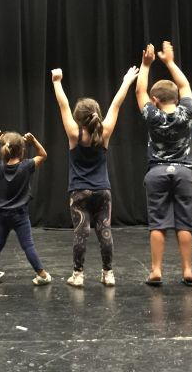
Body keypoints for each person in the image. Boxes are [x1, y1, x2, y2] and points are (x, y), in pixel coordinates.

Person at [51, 64, 138, 287]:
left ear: (78, 117)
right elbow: (116, 104)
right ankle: (108, 274)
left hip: (79, 191)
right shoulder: (104, 133)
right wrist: (127, 81)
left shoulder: (74, 133)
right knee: (105, 231)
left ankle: (78, 275)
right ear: (97, 114)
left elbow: (63, 104)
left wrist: (57, 81)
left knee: (81, 233)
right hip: (102, 190)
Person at [135, 42, 192, 287]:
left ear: (155, 100)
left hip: (157, 172)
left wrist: (146, 65)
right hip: (184, 172)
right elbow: (185, 85)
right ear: (177, 98)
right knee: (184, 223)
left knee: (158, 223)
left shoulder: (152, 115)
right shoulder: (187, 113)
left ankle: (156, 270)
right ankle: (187, 271)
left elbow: (140, 91)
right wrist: (170, 62)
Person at [0, 130, 51, 285]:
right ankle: (42, 274)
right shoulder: (26, 166)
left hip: (2, 215)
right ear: (21, 150)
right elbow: (43, 155)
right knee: (27, 245)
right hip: (20, 215)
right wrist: (33, 141)